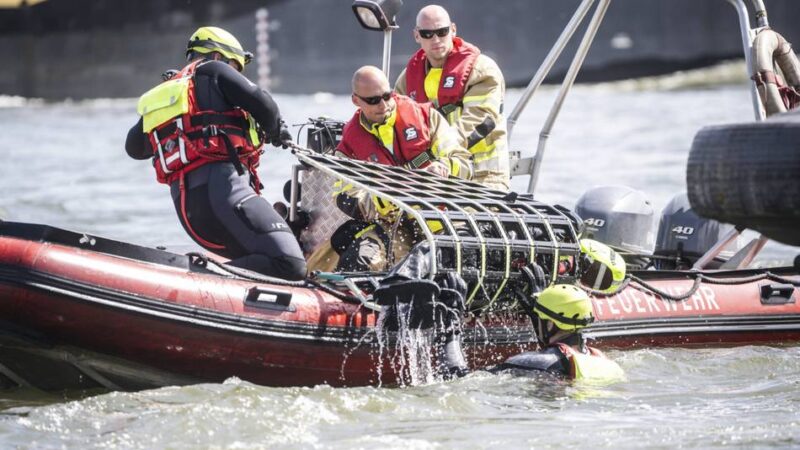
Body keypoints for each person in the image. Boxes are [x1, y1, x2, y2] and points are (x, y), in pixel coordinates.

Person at [125, 26, 306, 280]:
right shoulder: (212, 70)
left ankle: (208, 287)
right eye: (235, 66)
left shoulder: (168, 94)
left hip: (191, 213)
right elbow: (263, 103)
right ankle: (200, 280)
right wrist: (276, 130)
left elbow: (134, 148)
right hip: (225, 194)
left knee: (273, 254)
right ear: (219, 57)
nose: (235, 73)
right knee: (289, 264)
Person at [306, 65, 473, 273]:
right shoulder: (350, 146)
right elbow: (345, 196)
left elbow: (464, 163)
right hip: (394, 227)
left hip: (443, 221)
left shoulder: (427, 117)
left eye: (387, 95)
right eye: (373, 100)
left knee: (462, 262)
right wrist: (386, 197)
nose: (383, 105)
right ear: (356, 100)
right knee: (361, 261)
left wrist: (444, 168)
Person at [395, 4, 510, 191]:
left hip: (485, 178)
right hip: (431, 178)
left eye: (442, 32)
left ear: (453, 30)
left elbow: (479, 121)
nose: (436, 39)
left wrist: (437, 156)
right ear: (417, 35)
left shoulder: (482, 70)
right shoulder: (407, 80)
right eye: (427, 34)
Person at [491, 284, 624, 380]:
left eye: (540, 319)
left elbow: (477, 378)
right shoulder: (606, 362)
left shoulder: (537, 363)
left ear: (550, 324)